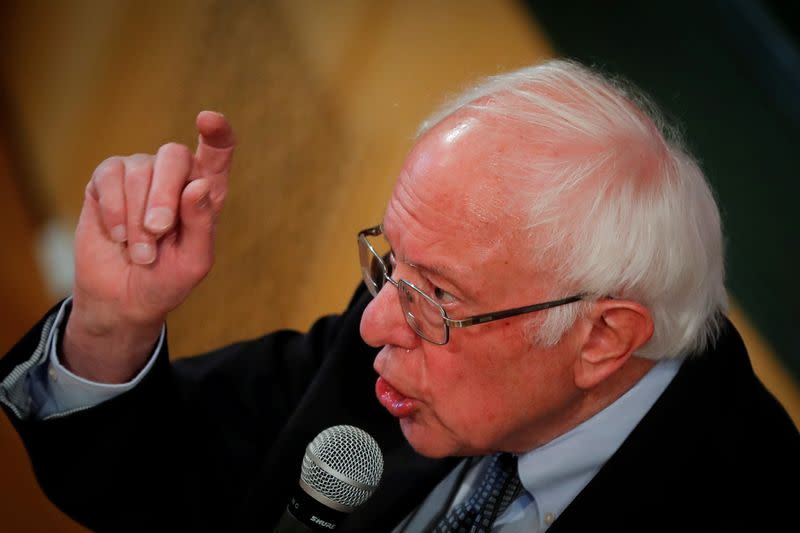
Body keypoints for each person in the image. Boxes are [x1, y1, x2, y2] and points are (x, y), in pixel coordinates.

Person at [1, 59, 798, 533]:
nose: (378, 320)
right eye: (392, 261)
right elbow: (156, 483)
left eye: (436, 295)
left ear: (601, 339)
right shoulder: (395, 348)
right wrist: (114, 320)